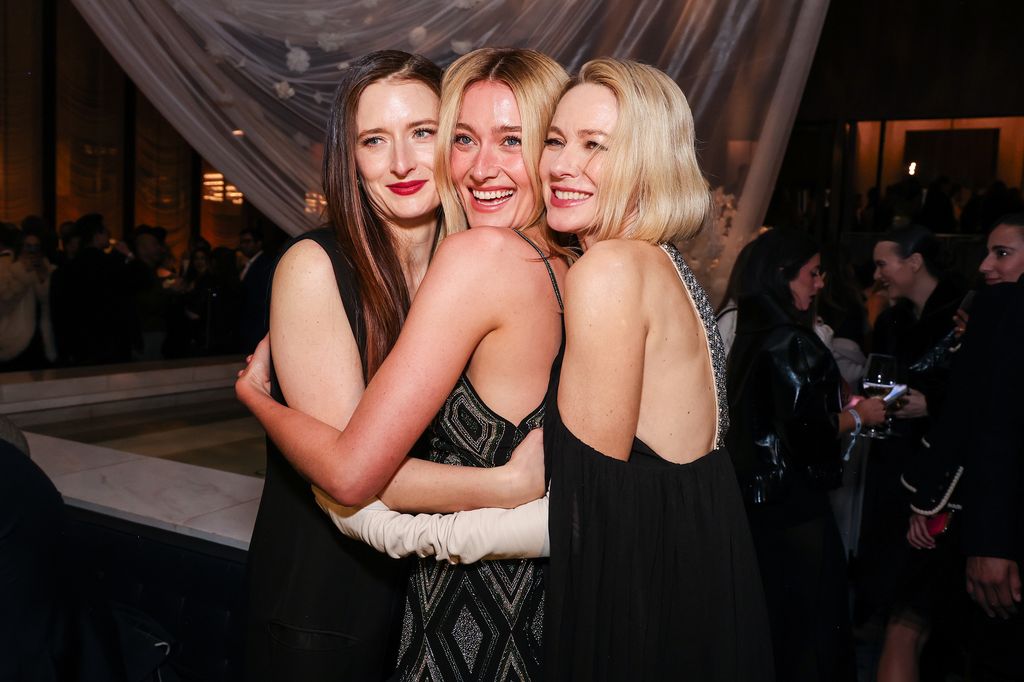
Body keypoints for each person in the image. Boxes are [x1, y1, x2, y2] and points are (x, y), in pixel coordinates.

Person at [239, 47, 569, 681]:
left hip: (434, 588)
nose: (400, 163)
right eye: (373, 141)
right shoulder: (315, 268)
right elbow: (352, 470)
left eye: (422, 133)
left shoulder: (473, 256)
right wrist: (503, 485)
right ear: (349, 158)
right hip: (327, 598)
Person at [727, 228, 887, 681]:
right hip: (792, 507)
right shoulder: (790, 341)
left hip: (757, 506)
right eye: (813, 274)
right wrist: (859, 416)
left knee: (776, 626)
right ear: (783, 277)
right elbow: (811, 434)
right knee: (810, 632)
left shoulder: (748, 335)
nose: (820, 284)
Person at [900, 214, 1024, 681]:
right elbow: (988, 424)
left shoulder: (1002, 310)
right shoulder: (996, 310)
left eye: (1003, 253)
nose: (987, 266)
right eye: (988, 252)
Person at [860, 224, 966, 677]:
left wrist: (933, 404)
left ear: (914, 263)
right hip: (894, 462)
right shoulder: (890, 319)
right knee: (896, 592)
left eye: (883, 263)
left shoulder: (964, 312)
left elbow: (982, 395)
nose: (877, 273)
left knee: (922, 609)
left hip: (944, 477)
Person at [238, 226, 273, 353]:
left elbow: (260, 296)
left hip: (256, 324)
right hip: (249, 323)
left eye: (247, 242)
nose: (243, 246)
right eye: (242, 242)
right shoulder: (249, 263)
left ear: (258, 243)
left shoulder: (265, 264)